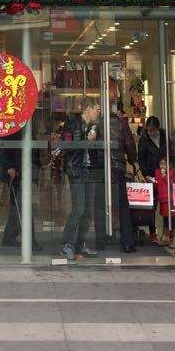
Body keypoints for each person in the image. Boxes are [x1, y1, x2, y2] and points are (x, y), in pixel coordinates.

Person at [59, 97, 101, 259]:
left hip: (89, 170)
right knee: (79, 208)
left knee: (88, 210)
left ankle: (80, 245)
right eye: (97, 109)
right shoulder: (72, 124)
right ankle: (67, 244)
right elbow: (67, 146)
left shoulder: (94, 127)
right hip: (76, 170)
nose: (98, 112)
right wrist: (86, 141)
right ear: (88, 109)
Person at [106, 101, 138, 253]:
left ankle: (102, 240)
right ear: (118, 111)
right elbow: (130, 145)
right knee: (122, 205)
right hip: (118, 167)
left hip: (102, 169)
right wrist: (132, 160)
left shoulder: (99, 124)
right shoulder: (122, 124)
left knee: (101, 205)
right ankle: (127, 242)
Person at [0, 145, 42, 250]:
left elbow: (33, 152)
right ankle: (30, 242)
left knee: (17, 207)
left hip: (24, 171)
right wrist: (9, 167)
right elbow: (4, 149)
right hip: (16, 174)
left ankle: (9, 237)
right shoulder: (12, 135)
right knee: (22, 207)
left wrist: (37, 166)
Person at [136, 116, 166, 243]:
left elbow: (169, 153)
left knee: (166, 204)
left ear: (157, 128)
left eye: (153, 130)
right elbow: (141, 158)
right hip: (151, 175)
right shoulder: (144, 139)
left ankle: (167, 232)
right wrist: (145, 174)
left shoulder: (164, 138)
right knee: (151, 206)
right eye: (148, 130)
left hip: (164, 175)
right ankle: (153, 233)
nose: (150, 132)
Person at [153, 155, 175, 249]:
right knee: (165, 218)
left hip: (170, 199)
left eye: (165, 164)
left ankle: (173, 238)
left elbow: (173, 184)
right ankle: (165, 237)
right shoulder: (157, 172)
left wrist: (165, 176)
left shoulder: (172, 172)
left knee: (172, 218)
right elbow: (157, 183)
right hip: (162, 199)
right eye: (161, 164)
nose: (163, 166)